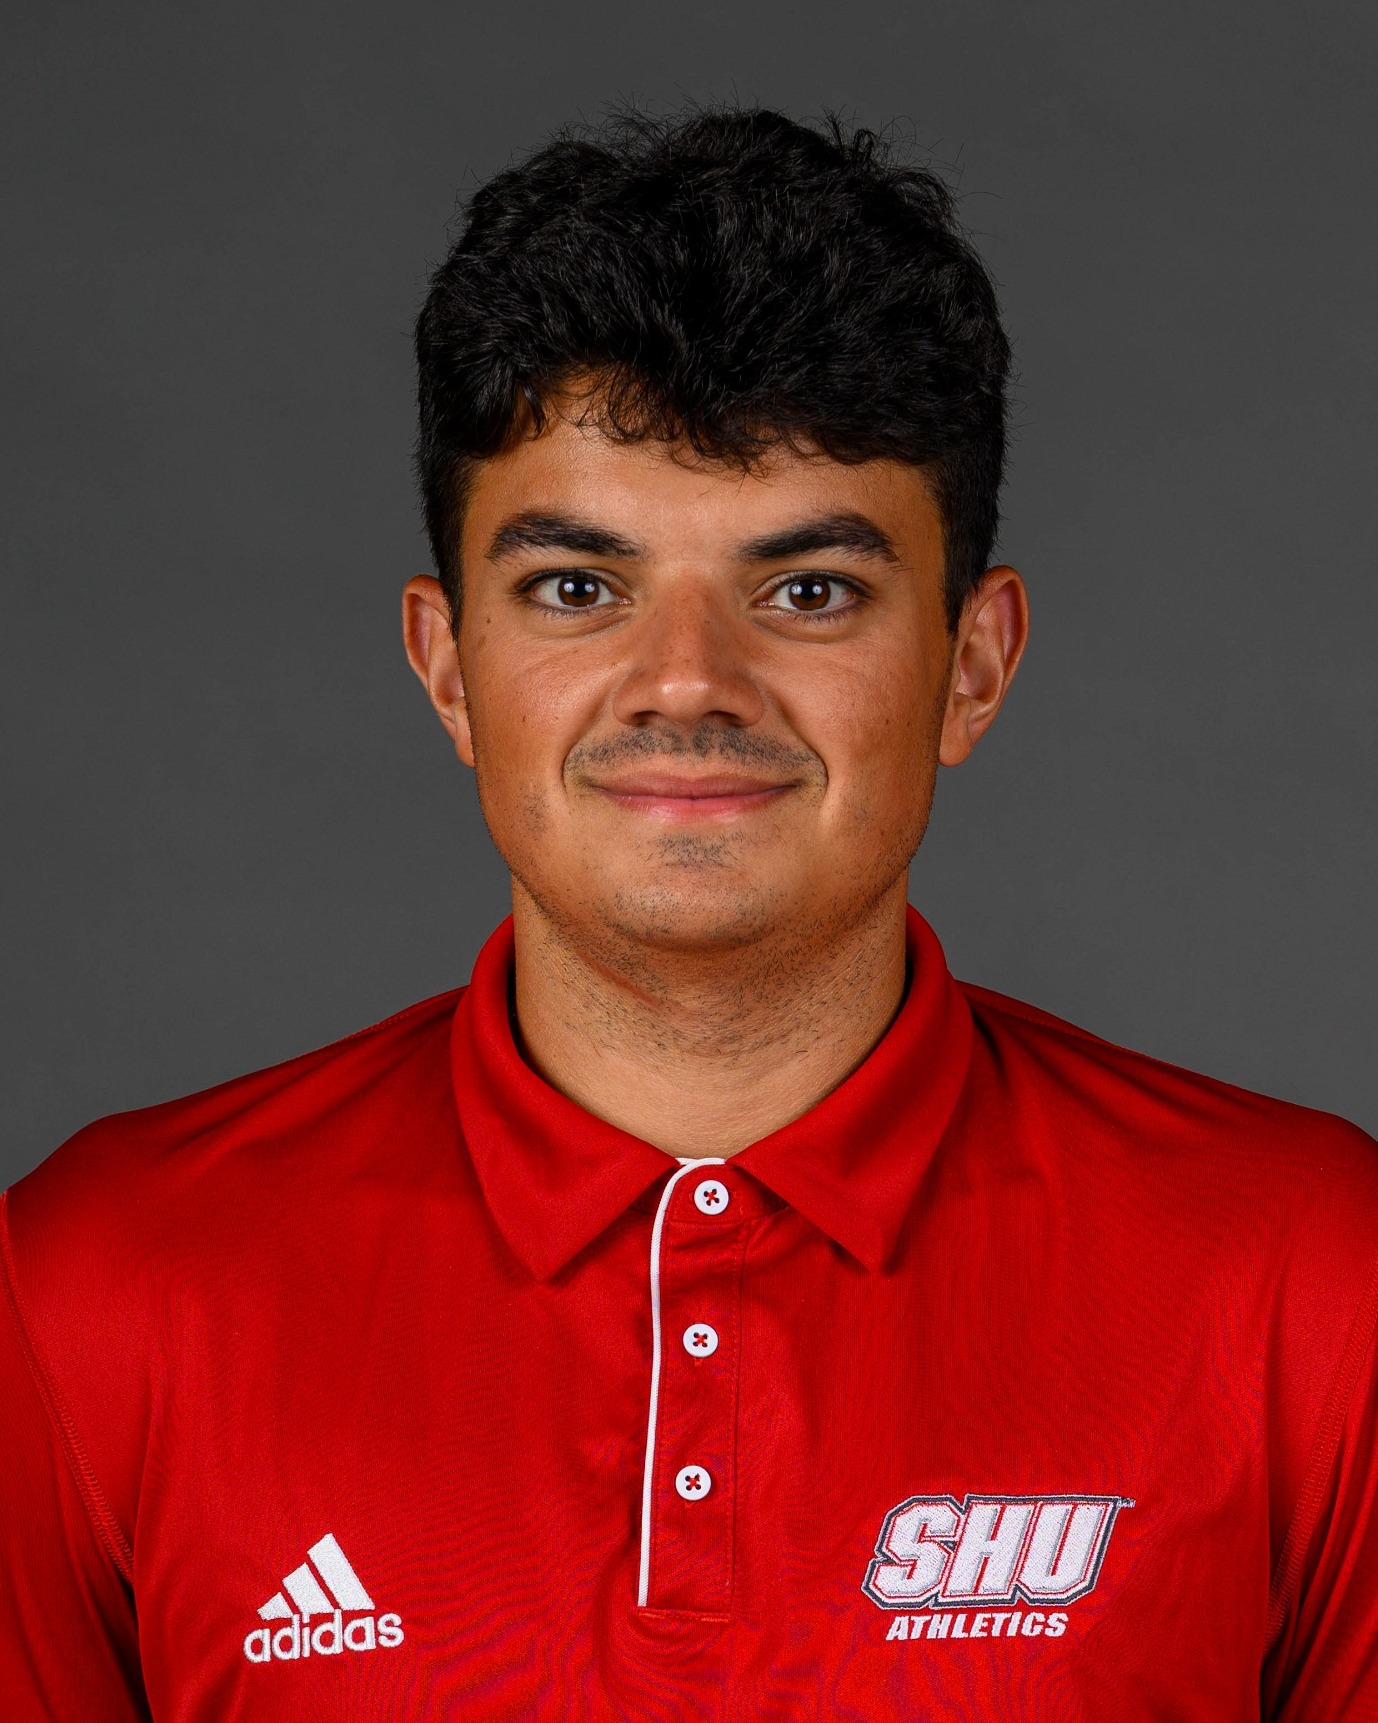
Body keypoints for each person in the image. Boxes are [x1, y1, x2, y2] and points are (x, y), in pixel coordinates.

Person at [2, 106, 1375, 1722]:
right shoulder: (94, 1292)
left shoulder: (1311, 1283)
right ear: (449, 667)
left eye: (808, 592)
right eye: (579, 588)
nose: (686, 687)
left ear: (973, 663)